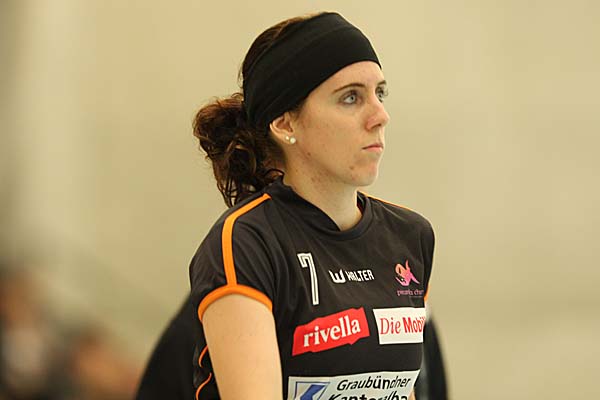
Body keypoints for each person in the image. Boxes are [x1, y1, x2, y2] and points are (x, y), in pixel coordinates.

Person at [189, 11, 436, 400]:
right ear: (286, 124)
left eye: (380, 93)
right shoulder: (246, 242)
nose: (380, 115)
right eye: (351, 97)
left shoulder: (410, 236)